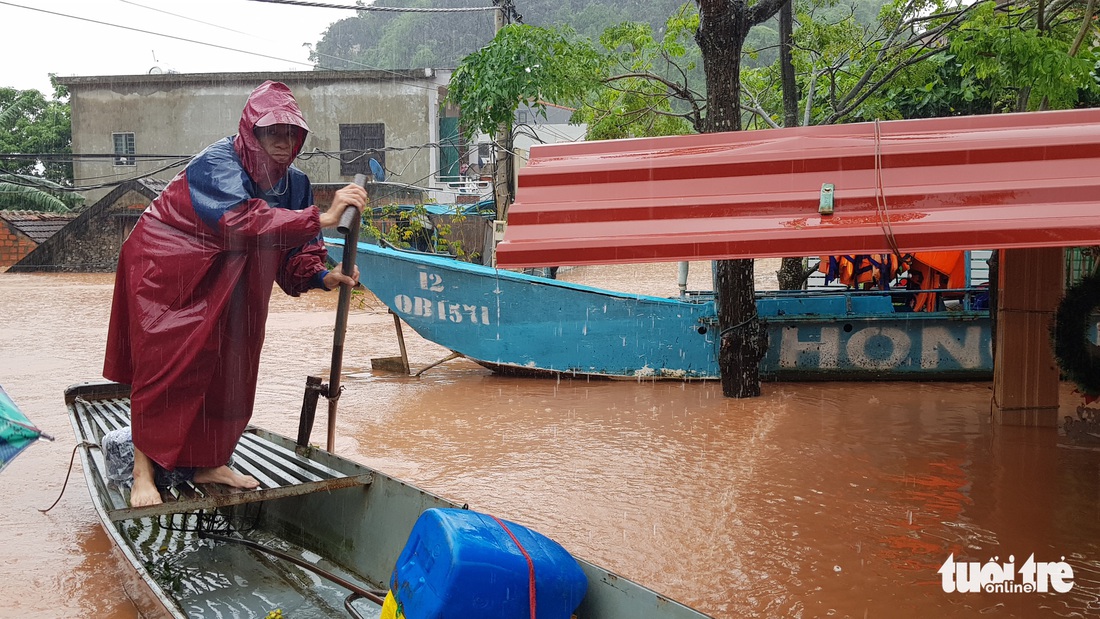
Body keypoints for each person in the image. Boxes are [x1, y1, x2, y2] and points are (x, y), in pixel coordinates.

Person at [102, 81, 368, 507]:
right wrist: (323, 215)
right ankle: (142, 472)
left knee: (233, 367)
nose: (282, 142)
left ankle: (209, 460)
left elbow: (294, 251)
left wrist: (322, 276)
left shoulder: (293, 184)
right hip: (168, 267)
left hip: (233, 271)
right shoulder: (218, 163)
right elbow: (242, 222)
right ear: (250, 133)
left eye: (290, 133)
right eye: (271, 132)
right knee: (166, 366)